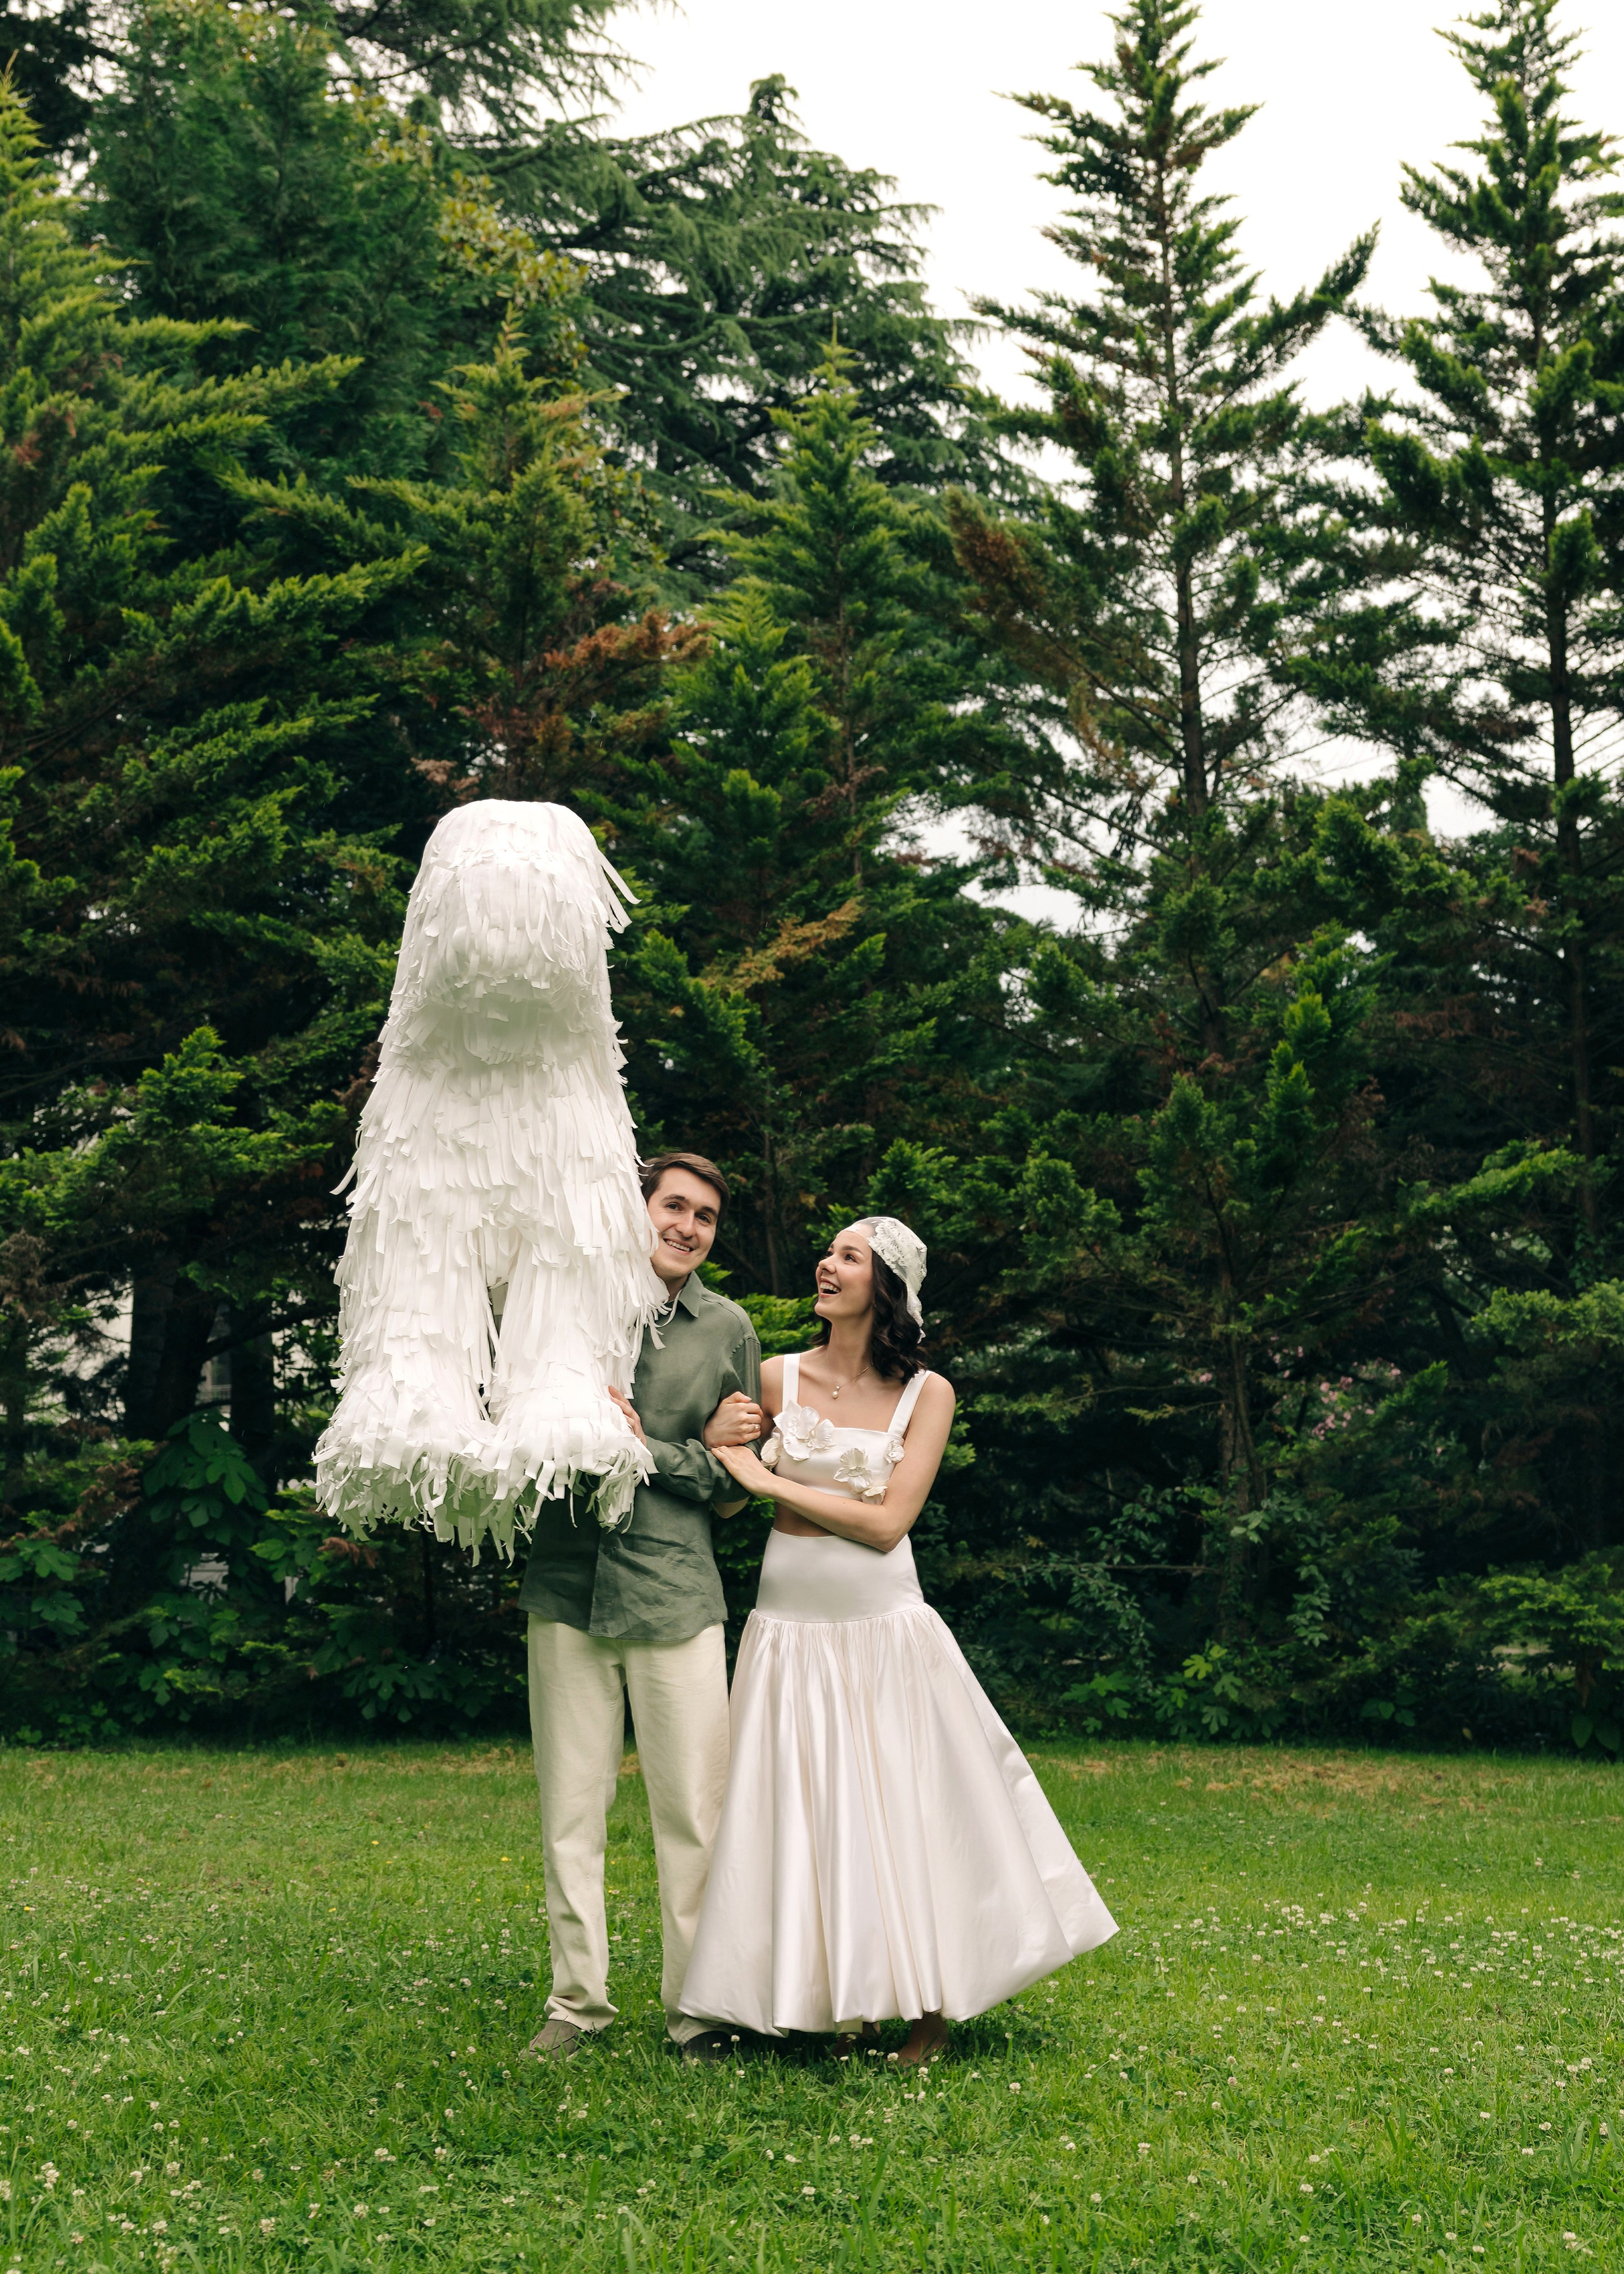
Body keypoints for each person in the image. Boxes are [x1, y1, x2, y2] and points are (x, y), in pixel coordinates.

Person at [679, 1217, 1116, 2063]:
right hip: (787, 1630)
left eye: (849, 1255)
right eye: (830, 1250)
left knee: (902, 1810)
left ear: (887, 1286)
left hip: (885, 1630)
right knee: (806, 1810)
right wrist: (716, 1451)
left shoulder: (930, 1395)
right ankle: (843, 2002)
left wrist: (769, 1478)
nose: (827, 1263)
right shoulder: (775, 1374)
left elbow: (888, 1525)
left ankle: (927, 2010)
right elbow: (730, 1495)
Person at [518, 1151, 765, 2063]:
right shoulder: (567, 1309)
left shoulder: (728, 1327)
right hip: (568, 1586)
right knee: (570, 1811)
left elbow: (738, 1487)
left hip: (675, 1593)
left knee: (693, 1814)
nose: (688, 1227)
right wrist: (675, 1446)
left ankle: (698, 2011)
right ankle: (575, 2004)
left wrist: (652, 1449)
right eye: (675, 1205)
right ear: (640, 1207)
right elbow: (530, 1430)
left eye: (705, 1216)